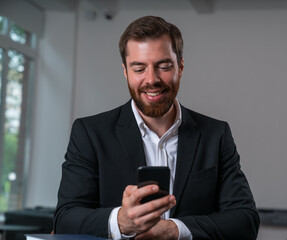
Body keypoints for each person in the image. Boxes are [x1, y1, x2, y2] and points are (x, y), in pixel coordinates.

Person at [54, 16, 259, 240]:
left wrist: (174, 230)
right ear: (125, 71)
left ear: (180, 67)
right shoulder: (90, 133)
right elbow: (65, 219)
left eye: (163, 66)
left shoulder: (216, 135)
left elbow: (245, 221)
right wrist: (121, 222)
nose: (151, 79)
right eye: (139, 68)